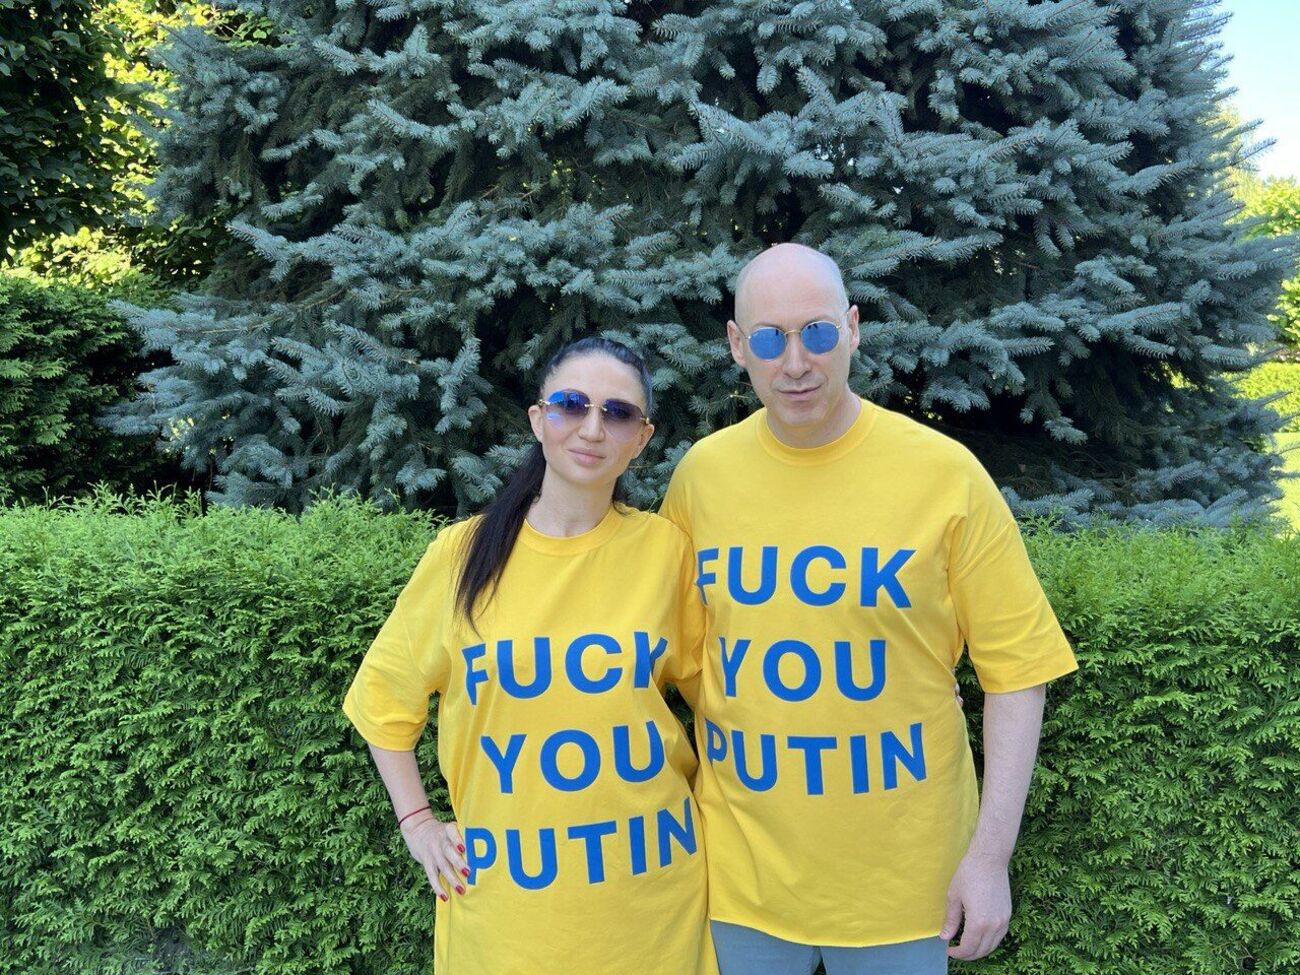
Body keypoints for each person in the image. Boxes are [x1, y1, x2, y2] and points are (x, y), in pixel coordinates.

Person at [660, 243, 1079, 975]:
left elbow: (1019, 673)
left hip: (906, 889)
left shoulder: (944, 474)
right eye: (769, 339)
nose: (796, 362)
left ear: (853, 329)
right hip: (739, 883)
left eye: (818, 332)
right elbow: (676, 652)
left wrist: (990, 858)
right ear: (736, 345)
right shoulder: (702, 476)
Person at [343, 337, 716, 975]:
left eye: (618, 413)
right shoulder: (461, 555)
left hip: (655, 910)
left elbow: (724, 700)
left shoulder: (666, 552)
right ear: (539, 419)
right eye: (572, 404)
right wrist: (417, 823)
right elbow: (382, 705)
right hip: (506, 922)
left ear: (641, 438)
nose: (592, 428)